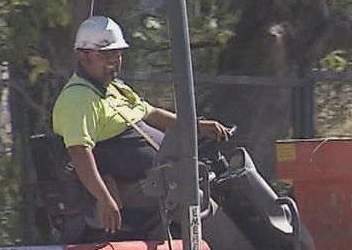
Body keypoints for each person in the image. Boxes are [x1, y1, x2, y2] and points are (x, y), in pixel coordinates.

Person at [52, 15, 232, 234]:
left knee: (217, 183)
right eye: (106, 54)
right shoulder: (78, 99)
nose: (114, 61)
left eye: (117, 54)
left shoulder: (115, 89)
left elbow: (151, 113)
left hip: (159, 177)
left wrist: (197, 126)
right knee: (192, 201)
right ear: (83, 56)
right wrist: (105, 199)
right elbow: (79, 152)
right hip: (130, 187)